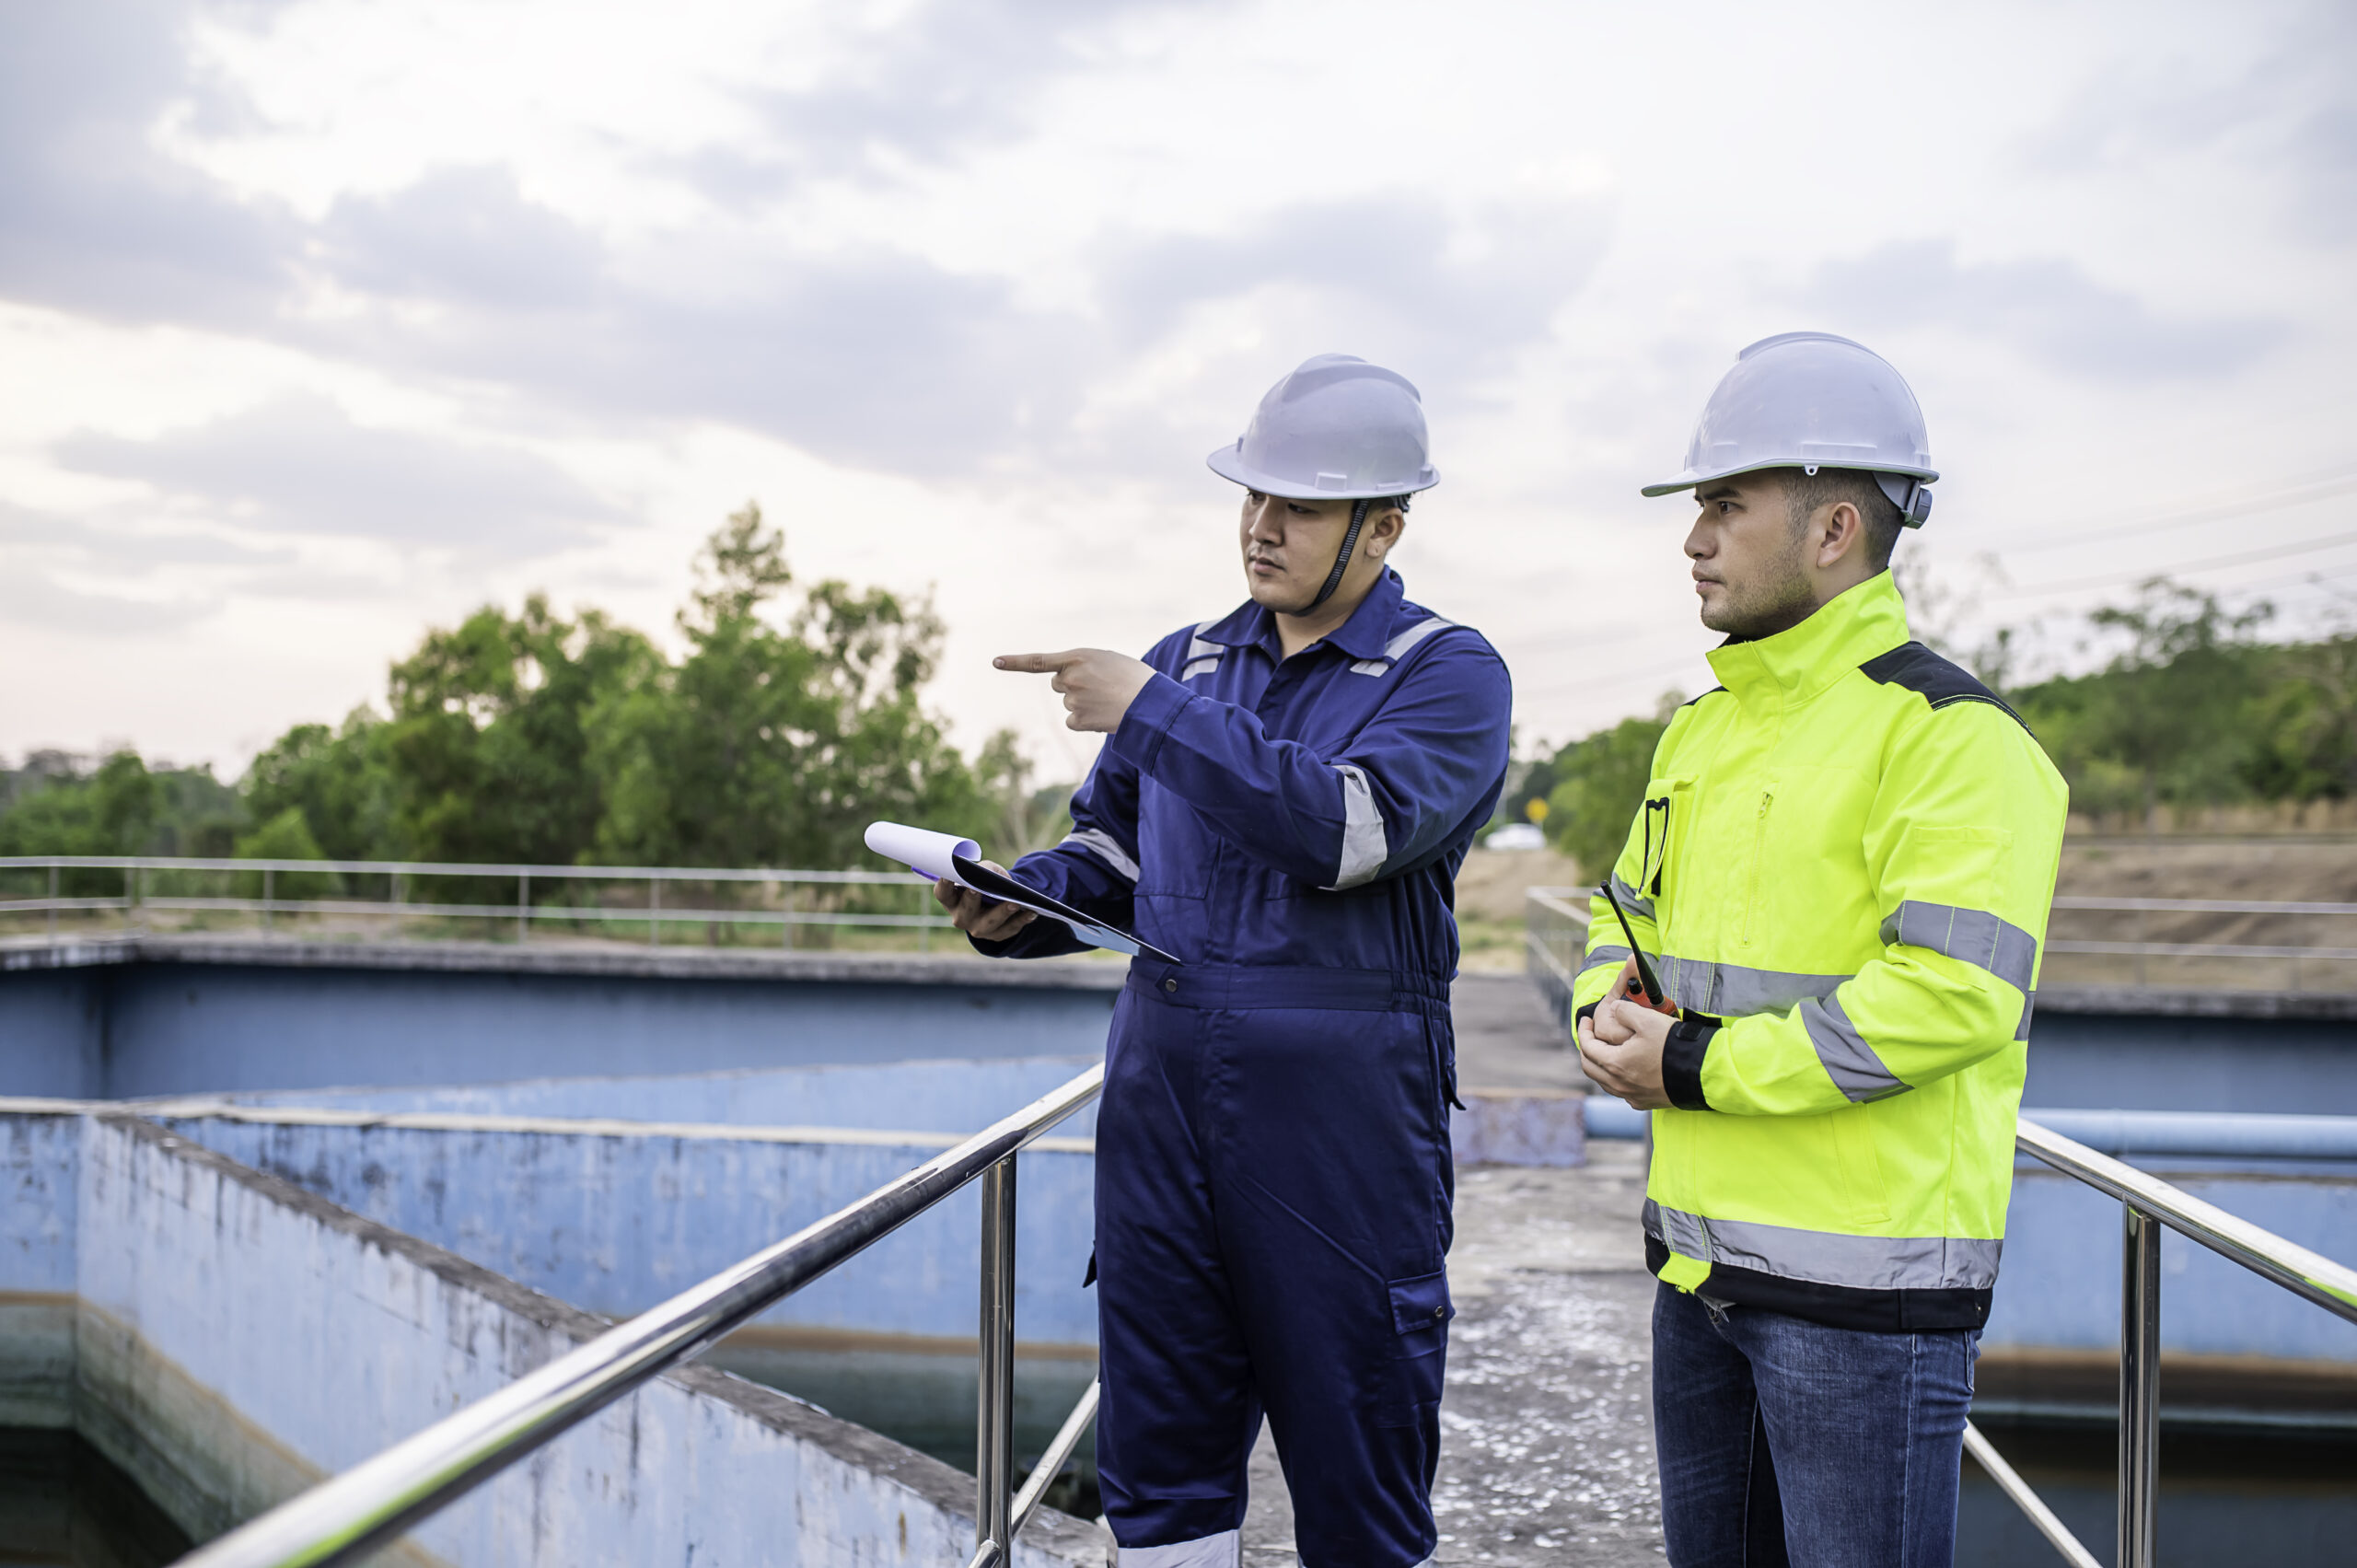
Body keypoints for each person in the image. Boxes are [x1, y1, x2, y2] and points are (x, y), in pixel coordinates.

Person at [936, 354, 1513, 1568]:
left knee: (1359, 1484)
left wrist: (1147, 708)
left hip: (1341, 1139)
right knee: (1158, 1477)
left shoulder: (1448, 674)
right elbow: (1116, 854)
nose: (1261, 526)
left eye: (1298, 506)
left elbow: (1343, 831)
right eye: (1252, 497)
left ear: (1384, 526)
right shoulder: (1192, 659)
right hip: (1165, 1122)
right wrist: (1017, 899)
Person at [1573, 332, 2068, 1567]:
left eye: (1725, 506)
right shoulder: (1703, 732)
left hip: (1865, 1309)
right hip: (1700, 1277)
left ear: (1833, 527)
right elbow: (1617, 916)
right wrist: (1607, 1012)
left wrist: (1691, 1069)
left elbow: (1954, 998)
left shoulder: (1955, 740)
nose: (1693, 539)